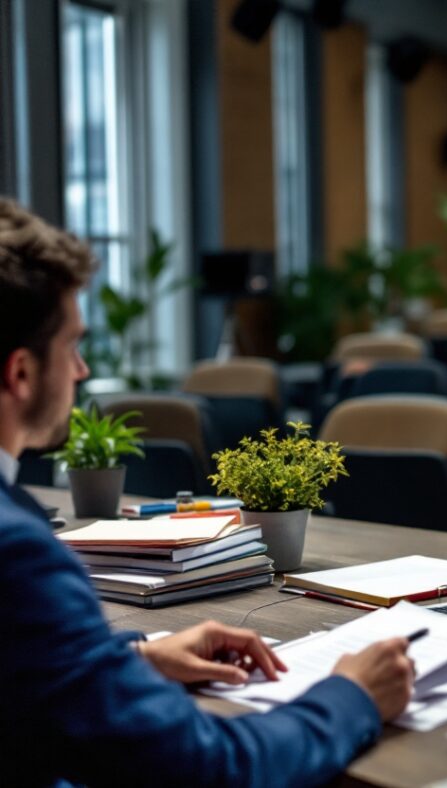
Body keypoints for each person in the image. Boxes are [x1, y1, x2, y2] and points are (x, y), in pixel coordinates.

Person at [0, 198, 415, 786]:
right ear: (19, 373)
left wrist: (134, 660)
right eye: (71, 346)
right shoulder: (18, 551)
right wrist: (353, 697)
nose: (83, 371)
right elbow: (209, 768)